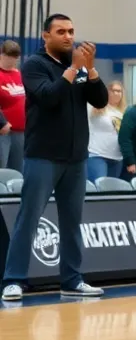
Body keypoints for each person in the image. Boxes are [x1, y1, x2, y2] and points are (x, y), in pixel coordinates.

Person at [1, 15, 108, 302]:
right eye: (61, 31)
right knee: (29, 218)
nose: (69, 36)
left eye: (71, 31)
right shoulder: (35, 65)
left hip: (76, 158)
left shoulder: (79, 68)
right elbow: (49, 96)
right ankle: (13, 280)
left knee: (72, 221)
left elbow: (100, 101)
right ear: (45, 36)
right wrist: (74, 69)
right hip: (43, 156)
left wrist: (91, 69)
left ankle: (72, 280)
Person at [87, 81, 126, 182]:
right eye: (113, 90)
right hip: (97, 155)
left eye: (119, 91)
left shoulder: (123, 112)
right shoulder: (95, 107)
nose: (117, 93)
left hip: (117, 158)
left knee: (112, 191)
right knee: (99, 189)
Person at [0, 40, 25, 172]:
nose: (12, 60)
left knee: (16, 171)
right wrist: (2, 122)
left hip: (20, 131)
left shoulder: (19, 75)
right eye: (9, 56)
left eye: (15, 57)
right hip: (3, 131)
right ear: (1, 55)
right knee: (2, 167)